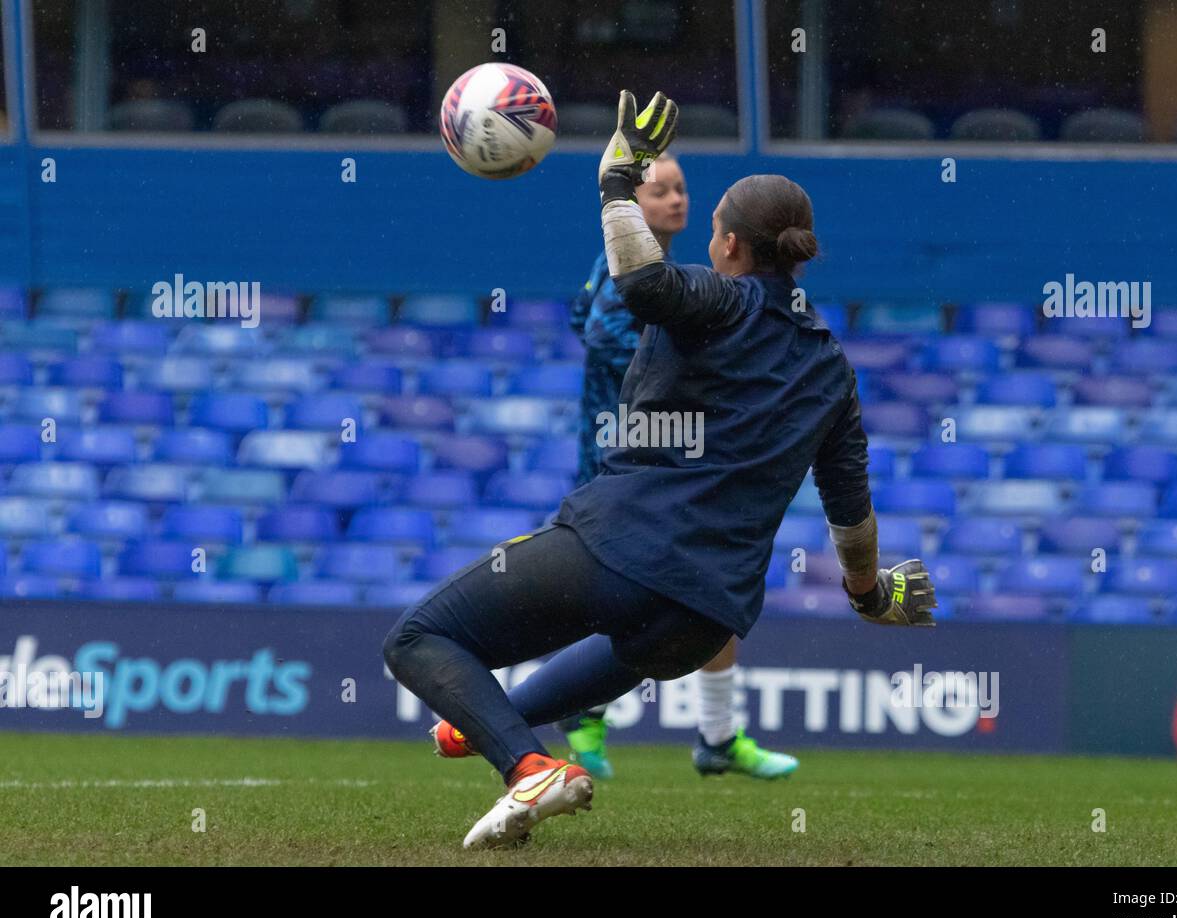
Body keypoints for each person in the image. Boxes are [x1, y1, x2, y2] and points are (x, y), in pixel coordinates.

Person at [383, 90, 937, 850]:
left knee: (417, 641)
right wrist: (871, 598)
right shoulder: (831, 368)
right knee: (606, 657)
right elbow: (851, 512)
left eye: (712, 230)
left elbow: (639, 283)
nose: (707, 240)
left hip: (622, 548)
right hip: (705, 615)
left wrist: (617, 182)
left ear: (734, 248)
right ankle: (484, 728)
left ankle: (528, 768)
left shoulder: (720, 301)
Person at [559, 150, 798, 781]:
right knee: (661, 593)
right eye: (660, 190)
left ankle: (713, 735)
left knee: (711, 581)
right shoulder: (633, 274)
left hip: (672, 459)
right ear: (630, 205)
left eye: (681, 189)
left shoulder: (666, 275)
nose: (676, 199)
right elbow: (600, 335)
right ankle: (582, 710)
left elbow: (579, 318)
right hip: (626, 465)